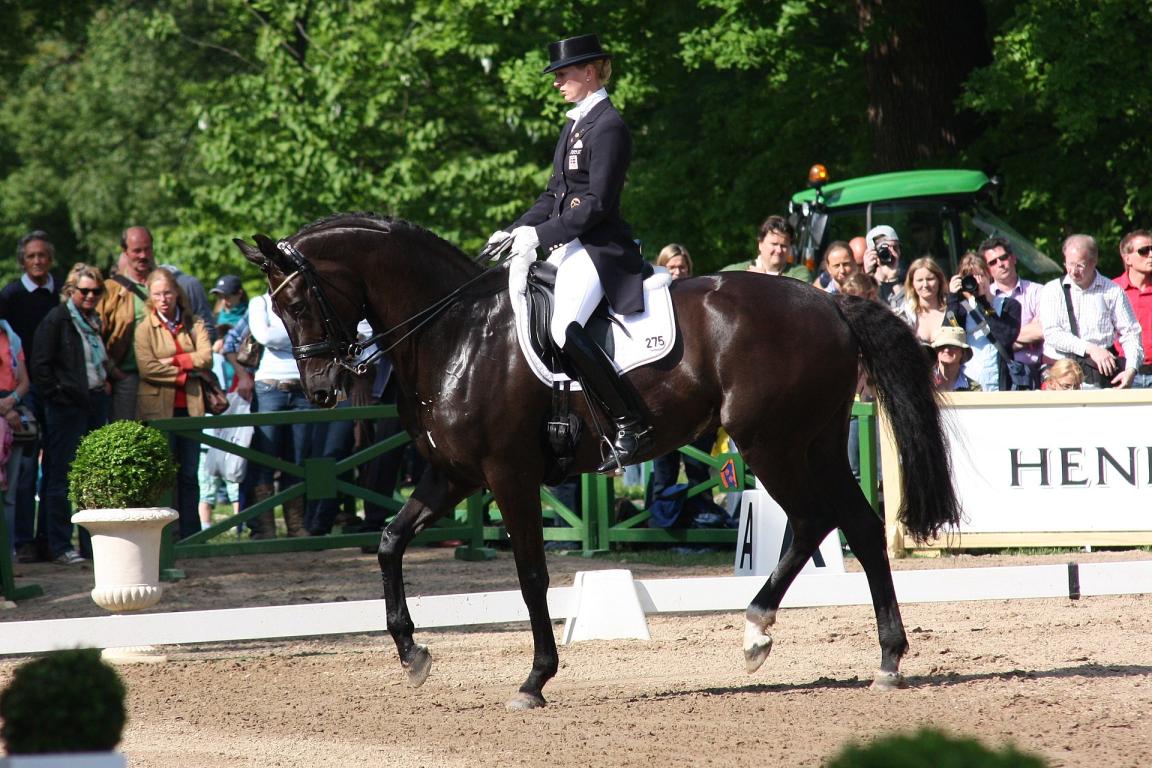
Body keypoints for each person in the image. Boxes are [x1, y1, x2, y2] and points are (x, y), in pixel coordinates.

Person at [487, 33, 649, 474]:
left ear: (591, 71)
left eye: (563, 74)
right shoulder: (575, 123)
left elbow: (595, 204)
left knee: (562, 326)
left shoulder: (609, 126)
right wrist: (516, 230)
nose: (557, 83)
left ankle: (627, 421)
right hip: (571, 243)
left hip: (600, 247)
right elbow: (553, 195)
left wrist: (539, 236)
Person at [31, 263, 111, 565]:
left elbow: (95, 361)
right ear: (70, 291)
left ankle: (91, 545)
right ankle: (59, 544)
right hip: (66, 407)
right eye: (84, 291)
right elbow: (41, 365)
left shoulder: (94, 320)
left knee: (90, 476)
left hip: (92, 401)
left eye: (96, 291)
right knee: (60, 475)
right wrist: (60, 395)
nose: (90, 296)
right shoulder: (58, 319)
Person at [134, 268, 213, 539]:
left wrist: (172, 361)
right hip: (158, 409)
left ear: (177, 293)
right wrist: (185, 370)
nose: (163, 299)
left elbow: (206, 358)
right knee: (163, 475)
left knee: (190, 474)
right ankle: (165, 536)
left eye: (167, 292)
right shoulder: (144, 329)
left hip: (191, 406)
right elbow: (147, 369)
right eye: (157, 294)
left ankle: (192, 533)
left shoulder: (195, 324)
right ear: (150, 298)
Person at [0, 231, 61, 563]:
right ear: (23, 261)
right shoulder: (10, 295)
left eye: (43, 256)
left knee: (55, 467)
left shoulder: (61, 292)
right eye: (32, 256)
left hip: (57, 388)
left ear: (50, 259)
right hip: (24, 391)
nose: (38, 261)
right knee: (23, 470)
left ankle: (50, 539)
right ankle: (22, 541)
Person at [648, 244, 714, 510]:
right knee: (664, 471)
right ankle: (661, 523)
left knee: (700, 471)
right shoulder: (650, 302)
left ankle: (704, 522)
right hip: (663, 399)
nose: (677, 272)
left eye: (682, 267)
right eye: (671, 267)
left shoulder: (704, 304)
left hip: (699, 398)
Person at [246, 290, 316, 537]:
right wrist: (298, 333)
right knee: (265, 457)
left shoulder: (305, 302)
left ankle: (296, 526)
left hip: (302, 387)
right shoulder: (260, 303)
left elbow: (315, 332)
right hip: (269, 386)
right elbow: (263, 335)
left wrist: (292, 335)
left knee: (297, 461)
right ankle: (265, 528)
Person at [1038, 234, 1143, 389]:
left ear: (1094, 261)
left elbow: (1131, 333)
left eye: (1080, 265)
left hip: (1099, 373)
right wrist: (1091, 349)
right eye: (1069, 264)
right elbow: (1052, 334)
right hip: (1060, 373)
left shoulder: (1112, 291)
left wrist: (1131, 369)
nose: (1073, 271)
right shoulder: (1052, 290)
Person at [98, 226, 157, 422]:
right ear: (125, 252)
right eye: (137, 250)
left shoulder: (164, 286)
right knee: (127, 440)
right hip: (128, 378)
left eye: (147, 249)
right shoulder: (110, 290)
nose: (143, 255)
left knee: (161, 443)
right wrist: (114, 372)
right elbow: (95, 335)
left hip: (163, 378)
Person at [945, 252, 1021, 391]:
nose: (974, 282)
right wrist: (952, 299)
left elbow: (1004, 337)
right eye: (969, 278)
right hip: (967, 382)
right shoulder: (962, 308)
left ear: (988, 275)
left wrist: (982, 301)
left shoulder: (1008, 305)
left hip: (998, 381)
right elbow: (948, 335)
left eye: (979, 276)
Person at [982, 236, 1044, 389]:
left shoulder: (1037, 292)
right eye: (992, 262)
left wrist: (1002, 341)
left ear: (1013, 258)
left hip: (1034, 373)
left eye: (1003, 257)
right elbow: (984, 342)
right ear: (987, 270)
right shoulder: (983, 297)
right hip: (996, 378)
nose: (1000, 264)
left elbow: (1043, 330)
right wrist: (1025, 337)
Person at [1114, 230, 1152, 389]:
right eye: (1144, 251)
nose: (1151, 254)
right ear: (1127, 258)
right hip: (1123, 372)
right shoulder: (1112, 290)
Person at [721, 215, 811, 281]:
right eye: (774, 244)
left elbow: (798, 302)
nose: (779, 250)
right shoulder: (737, 271)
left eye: (784, 246)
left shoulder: (799, 274)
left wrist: (764, 280)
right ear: (760, 244)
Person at [895, 257, 948, 348]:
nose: (925, 285)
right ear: (912, 284)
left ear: (939, 280)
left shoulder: (952, 311)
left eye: (930, 279)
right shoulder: (904, 315)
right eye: (920, 280)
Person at [861, 225, 906, 307]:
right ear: (872, 253)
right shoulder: (862, 284)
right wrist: (869, 275)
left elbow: (908, 312)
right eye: (885, 249)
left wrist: (894, 280)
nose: (892, 253)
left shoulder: (908, 279)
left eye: (895, 248)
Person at [931, 326, 981, 392]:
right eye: (942, 346)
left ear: (963, 352)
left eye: (952, 346)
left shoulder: (974, 388)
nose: (946, 350)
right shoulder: (925, 384)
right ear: (936, 351)